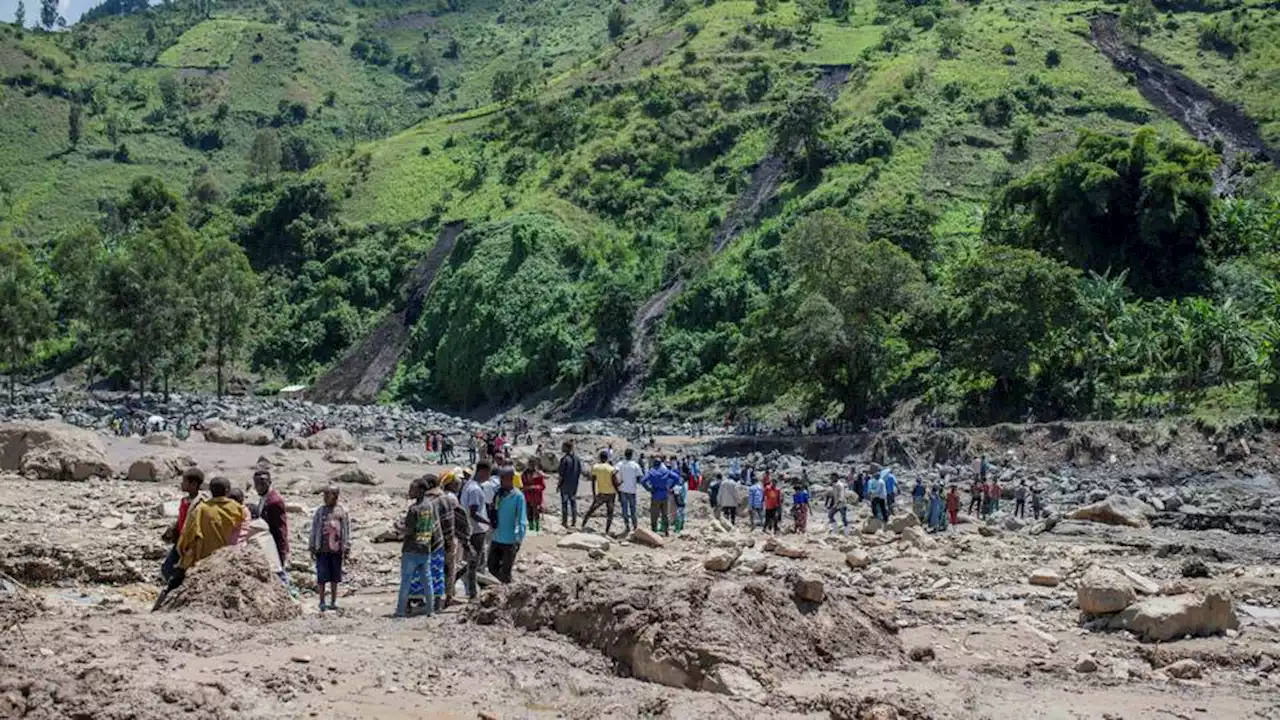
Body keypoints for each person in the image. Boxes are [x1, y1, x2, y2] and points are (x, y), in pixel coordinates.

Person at [154, 476, 243, 610]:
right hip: (225, 557)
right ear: (227, 491)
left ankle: (158, 609)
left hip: (201, 557)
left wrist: (182, 552)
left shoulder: (201, 509)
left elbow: (188, 534)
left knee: (174, 583)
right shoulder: (238, 509)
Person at [396, 478, 439, 618]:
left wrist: (398, 527)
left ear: (421, 491)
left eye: (412, 489)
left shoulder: (414, 509)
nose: (409, 492)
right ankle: (430, 610)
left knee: (406, 581)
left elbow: (409, 530)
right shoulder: (430, 506)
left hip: (411, 549)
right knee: (427, 581)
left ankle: (400, 611)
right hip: (425, 547)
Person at [309, 486, 350, 612]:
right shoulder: (320, 511)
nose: (325, 497)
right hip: (322, 549)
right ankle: (321, 601)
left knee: (335, 577)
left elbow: (346, 530)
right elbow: (314, 528)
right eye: (324, 495)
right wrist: (312, 546)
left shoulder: (341, 512)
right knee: (321, 577)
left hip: (336, 550)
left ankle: (333, 601)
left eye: (328, 495)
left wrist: (346, 546)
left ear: (336, 496)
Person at [160, 468, 205, 583]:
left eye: (184, 481)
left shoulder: (200, 503)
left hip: (188, 543)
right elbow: (181, 518)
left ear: (193, 484)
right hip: (180, 540)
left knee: (172, 569)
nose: (181, 483)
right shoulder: (185, 500)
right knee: (168, 569)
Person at [488, 466, 527, 583]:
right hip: (496, 537)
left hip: (510, 540)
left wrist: (519, 538)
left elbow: (522, 519)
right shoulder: (497, 493)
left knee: (506, 571)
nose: (501, 481)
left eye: (503, 478)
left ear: (510, 478)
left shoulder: (518, 496)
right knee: (491, 567)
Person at [461, 461, 492, 600]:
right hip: (476, 530)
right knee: (475, 562)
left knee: (471, 561)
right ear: (483, 471)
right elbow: (473, 512)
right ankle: (472, 593)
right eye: (488, 473)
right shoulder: (475, 489)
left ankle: (457, 580)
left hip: (471, 528)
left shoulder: (470, 485)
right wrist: (488, 522)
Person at [253, 470, 289, 569]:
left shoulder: (275, 501)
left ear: (269, 482)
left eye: (262, 483)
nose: (259, 487)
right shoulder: (264, 498)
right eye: (257, 483)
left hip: (273, 545)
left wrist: (282, 551)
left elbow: (281, 528)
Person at [580, 451, 618, 535]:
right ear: (607, 458)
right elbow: (614, 482)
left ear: (600, 458)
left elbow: (593, 481)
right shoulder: (611, 469)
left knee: (592, 509)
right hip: (611, 494)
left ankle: (583, 524)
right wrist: (618, 492)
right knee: (610, 512)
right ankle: (607, 530)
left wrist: (594, 493)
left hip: (601, 493)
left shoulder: (595, 467)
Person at [640, 457, 676, 535]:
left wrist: (649, 489)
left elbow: (642, 481)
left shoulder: (651, 472)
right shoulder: (665, 471)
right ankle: (666, 531)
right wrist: (670, 486)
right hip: (664, 495)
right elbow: (676, 477)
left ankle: (654, 531)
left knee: (654, 515)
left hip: (655, 495)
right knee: (665, 514)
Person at [616, 448, 643, 533]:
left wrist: (618, 481)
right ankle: (635, 526)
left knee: (624, 509)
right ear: (631, 455)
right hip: (632, 490)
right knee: (633, 509)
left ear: (625, 454)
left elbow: (613, 472)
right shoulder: (635, 465)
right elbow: (639, 477)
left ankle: (627, 526)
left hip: (622, 489)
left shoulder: (620, 464)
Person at [557, 442, 582, 529]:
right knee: (573, 503)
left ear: (567, 448)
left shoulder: (564, 459)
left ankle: (565, 522)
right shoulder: (577, 459)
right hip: (574, 485)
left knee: (564, 503)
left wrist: (558, 485)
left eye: (563, 447)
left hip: (565, 485)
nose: (562, 448)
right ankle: (574, 522)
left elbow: (561, 475)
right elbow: (579, 472)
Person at [522, 459, 546, 533]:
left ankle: (537, 527)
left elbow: (543, 486)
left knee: (536, 513)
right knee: (529, 512)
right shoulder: (524, 474)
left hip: (536, 497)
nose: (530, 466)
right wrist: (525, 488)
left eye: (532, 464)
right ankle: (531, 527)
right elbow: (522, 485)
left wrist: (534, 487)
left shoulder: (538, 474)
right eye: (529, 464)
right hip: (527, 496)